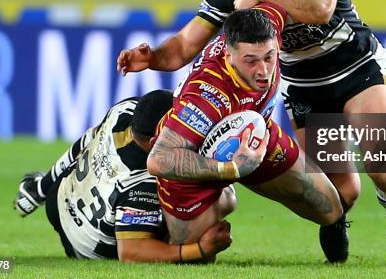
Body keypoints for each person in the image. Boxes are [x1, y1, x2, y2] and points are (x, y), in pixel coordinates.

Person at [117, 0, 386, 266]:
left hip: (356, 65)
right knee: (343, 193)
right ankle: (335, 221)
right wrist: (154, 57)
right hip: (304, 82)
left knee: (381, 165)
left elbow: (322, 9)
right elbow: (184, 45)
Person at [146, 5, 345, 260]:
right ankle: (197, 205)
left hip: (254, 134)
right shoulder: (206, 96)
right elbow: (158, 159)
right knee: (197, 257)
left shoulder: (268, 25)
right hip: (192, 166)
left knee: (331, 208)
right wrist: (229, 169)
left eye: (270, 57)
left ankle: (342, 268)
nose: (263, 70)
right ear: (229, 56)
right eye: (250, 61)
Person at [13, 90, 232, 263]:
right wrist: (200, 249)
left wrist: (41, 187)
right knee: (197, 201)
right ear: (157, 139)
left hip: (58, 199)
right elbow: (132, 252)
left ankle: (40, 189)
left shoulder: (126, 110)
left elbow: (86, 140)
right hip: (91, 248)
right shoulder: (144, 179)